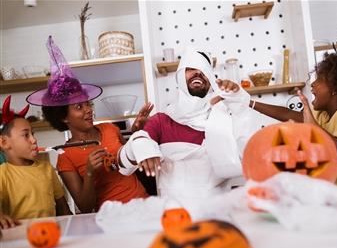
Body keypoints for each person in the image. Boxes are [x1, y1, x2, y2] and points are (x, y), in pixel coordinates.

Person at [26, 36, 150, 213]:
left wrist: (137, 131)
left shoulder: (109, 128)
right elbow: (85, 207)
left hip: (144, 205)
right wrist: (90, 173)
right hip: (111, 219)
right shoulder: (65, 157)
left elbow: (131, 159)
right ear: (63, 117)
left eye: (88, 103)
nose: (88, 110)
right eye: (79, 107)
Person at [118, 47, 257, 200]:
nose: (198, 73)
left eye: (204, 70)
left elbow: (249, 157)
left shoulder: (225, 119)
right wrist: (140, 144)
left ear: (211, 80)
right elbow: (123, 164)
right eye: (190, 68)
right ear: (179, 77)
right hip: (175, 216)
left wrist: (240, 108)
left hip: (218, 213)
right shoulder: (161, 120)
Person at [248, 52, 337, 185]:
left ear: (335, 88)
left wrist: (315, 129)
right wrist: (248, 102)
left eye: (319, 79)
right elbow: (287, 114)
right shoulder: (322, 116)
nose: (312, 84)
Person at [0, 95, 71, 229]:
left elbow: (63, 208)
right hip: (18, 241)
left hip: (51, 236)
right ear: (4, 142)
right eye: (26, 135)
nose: (34, 140)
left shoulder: (46, 168)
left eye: (33, 134)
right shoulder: (2, 174)